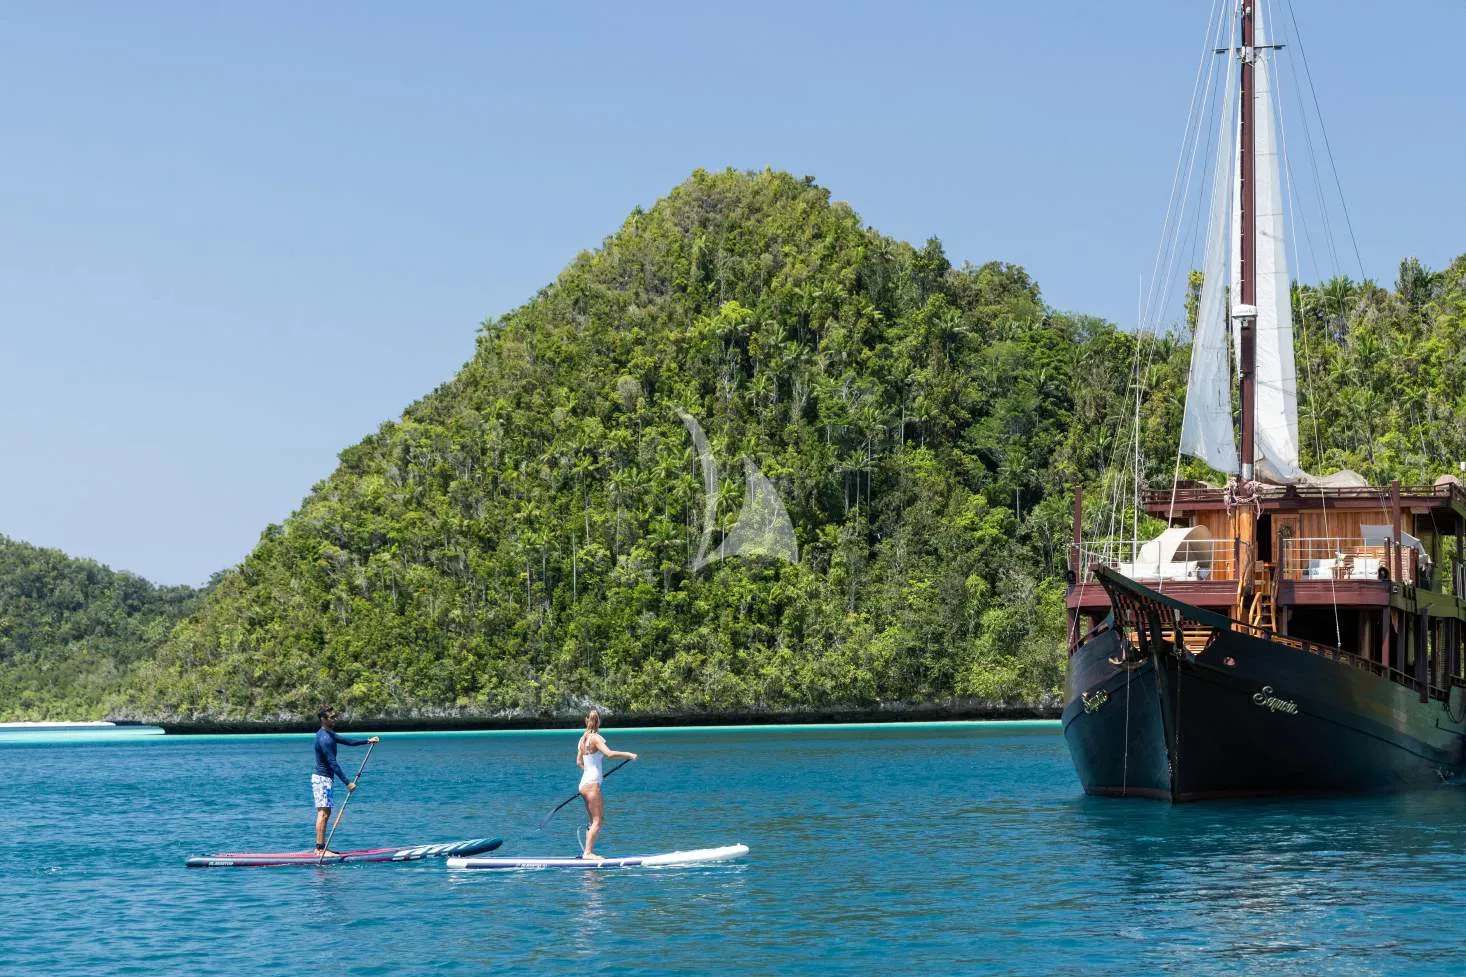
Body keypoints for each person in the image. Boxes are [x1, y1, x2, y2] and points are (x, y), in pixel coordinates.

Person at [312, 704, 379, 854]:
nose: (335, 719)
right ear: (323, 719)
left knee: (326, 813)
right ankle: (319, 849)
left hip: (325, 779)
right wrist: (347, 783)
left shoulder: (329, 734)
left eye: (336, 716)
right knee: (323, 813)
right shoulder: (324, 738)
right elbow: (332, 763)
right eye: (332, 717)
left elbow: (348, 741)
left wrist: (367, 741)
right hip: (322, 779)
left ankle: (321, 847)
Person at [576, 709, 636, 859]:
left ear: (586, 720)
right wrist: (629, 754)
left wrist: (593, 773)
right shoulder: (596, 738)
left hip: (584, 783)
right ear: (599, 721)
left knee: (592, 821)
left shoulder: (582, 739)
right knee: (598, 820)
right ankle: (588, 853)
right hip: (592, 784)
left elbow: (579, 762)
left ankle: (586, 851)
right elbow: (609, 754)